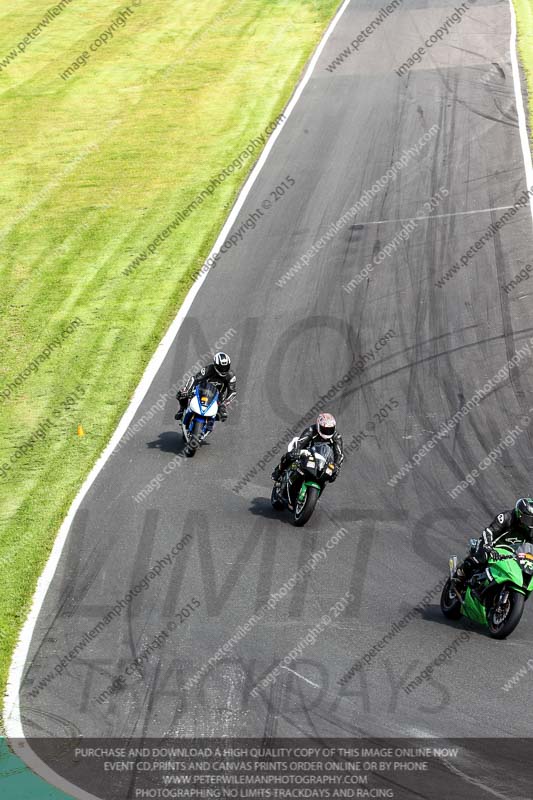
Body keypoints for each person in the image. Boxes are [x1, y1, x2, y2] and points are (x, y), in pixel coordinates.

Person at [454, 497, 533, 588]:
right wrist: (488, 546)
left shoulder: (530, 529)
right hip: (492, 546)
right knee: (480, 558)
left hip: (510, 554)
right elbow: (489, 531)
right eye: (528, 519)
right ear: (520, 514)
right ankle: (459, 576)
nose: (530, 523)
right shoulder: (507, 517)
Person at [271, 413, 344, 483]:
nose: (327, 432)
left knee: (332, 475)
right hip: (307, 453)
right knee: (290, 456)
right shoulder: (311, 430)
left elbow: (339, 453)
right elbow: (300, 442)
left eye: (330, 429)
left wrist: (336, 466)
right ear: (318, 426)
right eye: (324, 429)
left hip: (324, 460)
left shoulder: (336, 437)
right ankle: (278, 471)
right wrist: (296, 450)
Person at [175, 352, 236, 422]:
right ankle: (182, 410)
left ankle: (209, 424)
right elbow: (194, 379)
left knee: (222, 415)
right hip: (201, 390)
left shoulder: (231, 376)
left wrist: (224, 404)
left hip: (217, 396)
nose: (224, 370)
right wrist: (187, 389)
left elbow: (232, 392)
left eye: (226, 367)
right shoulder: (208, 369)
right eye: (221, 367)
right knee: (181, 394)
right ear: (215, 365)